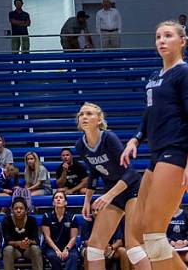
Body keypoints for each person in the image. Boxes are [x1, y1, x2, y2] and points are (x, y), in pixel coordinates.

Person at [120, 21, 188, 270]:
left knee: (154, 236)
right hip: (156, 155)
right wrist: (135, 138)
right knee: (137, 232)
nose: (161, 41)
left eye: (168, 36)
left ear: (182, 41)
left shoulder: (185, 73)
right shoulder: (155, 77)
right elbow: (149, 114)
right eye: (158, 37)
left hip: (176, 153)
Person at [75, 102, 148, 270]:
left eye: (89, 114)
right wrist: (87, 201)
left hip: (132, 189)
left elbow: (130, 173)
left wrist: (108, 195)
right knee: (93, 248)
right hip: (112, 193)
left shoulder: (109, 138)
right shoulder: (80, 145)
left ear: (99, 120)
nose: (84, 117)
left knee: (133, 247)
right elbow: (93, 172)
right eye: (81, 114)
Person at [1, 198, 43, 270]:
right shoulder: (6, 220)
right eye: (16, 208)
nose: (18, 210)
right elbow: (7, 240)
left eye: (21, 208)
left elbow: (36, 240)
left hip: (28, 249)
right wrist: (19, 243)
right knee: (8, 249)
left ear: (26, 210)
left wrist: (28, 242)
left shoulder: (32, 220)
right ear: (12, 210)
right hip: (14, 250)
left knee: (35, 248)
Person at [42, 191, 80, 270]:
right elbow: (47, 237)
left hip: (68, 247)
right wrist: (57, 250)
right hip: (52, 247)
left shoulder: (72, 217)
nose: (58, 199)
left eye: (61, 197)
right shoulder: (46, 216)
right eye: (56, 198)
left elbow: (73, 237)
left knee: (73, 256)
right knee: (52, 256)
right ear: (53, 203)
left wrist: (66, 249)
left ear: (65, 202)